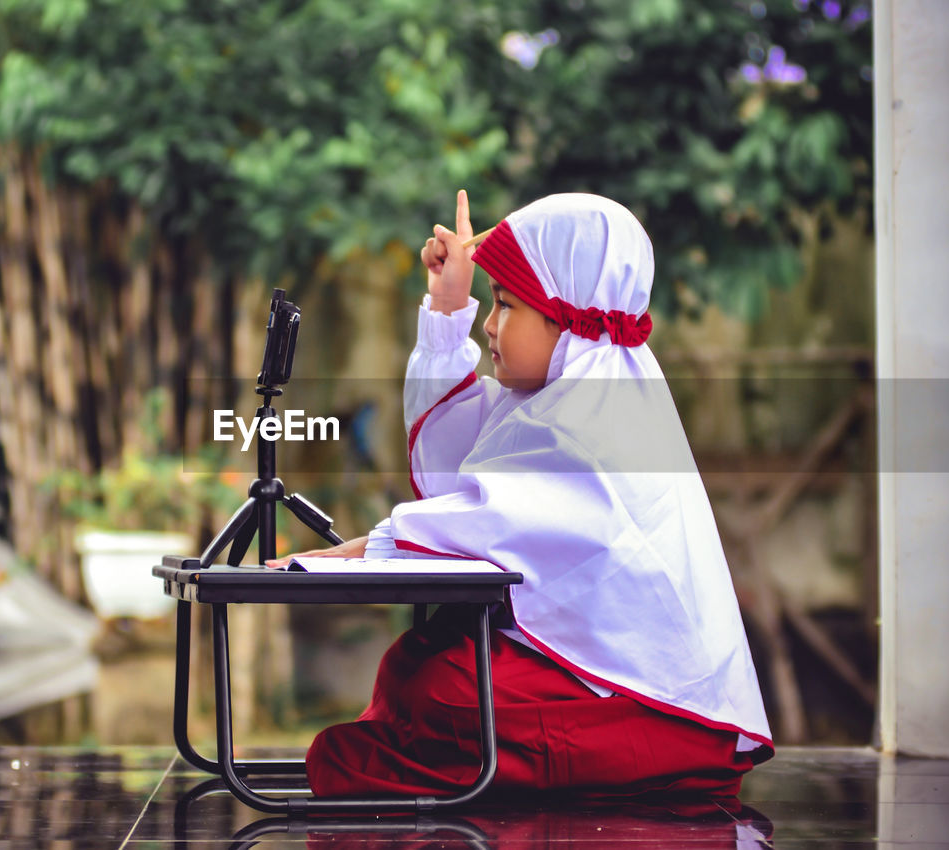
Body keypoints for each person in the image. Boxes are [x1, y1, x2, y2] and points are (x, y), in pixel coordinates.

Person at [268, 190, 774, 798]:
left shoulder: (596, 418)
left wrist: (361, 550)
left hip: (654, 703)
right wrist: (448, 303)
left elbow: (494, 520)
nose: (489, 323)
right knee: (417, 664)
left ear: (567, 317)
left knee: (443, 687)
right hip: (596, 674)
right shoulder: (551, 396)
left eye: (505, 304)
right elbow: (456, 464)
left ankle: (389, 766)